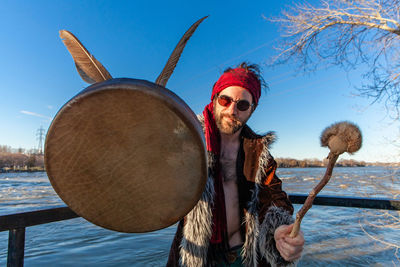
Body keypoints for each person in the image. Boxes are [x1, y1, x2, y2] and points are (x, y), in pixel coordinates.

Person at [167, 62, 304, 267]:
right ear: (214, 99)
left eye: (242, 105)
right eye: (225, 100)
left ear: (252, 109)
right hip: (200, 253)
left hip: (245, 254)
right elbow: (159, 184)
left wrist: (279, 230)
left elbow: (274, 196)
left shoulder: (258, 151)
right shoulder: (189, 142)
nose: (232, 110)